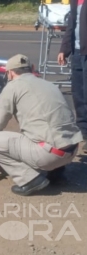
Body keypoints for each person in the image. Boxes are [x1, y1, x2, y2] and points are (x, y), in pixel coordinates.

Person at [0, 54, 83, 196]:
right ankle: (56, 173)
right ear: (31, 69)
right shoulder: (48, 84)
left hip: (50, 155)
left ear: (10, 73)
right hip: (72, 149)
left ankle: (29, 180)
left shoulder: (12, 87)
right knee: (43, 129)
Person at [57, 0, 87, 153]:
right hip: (77, 52)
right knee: (79, 94)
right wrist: (64, 49)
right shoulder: (75, 1)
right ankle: (83, 132)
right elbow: (71, 25)